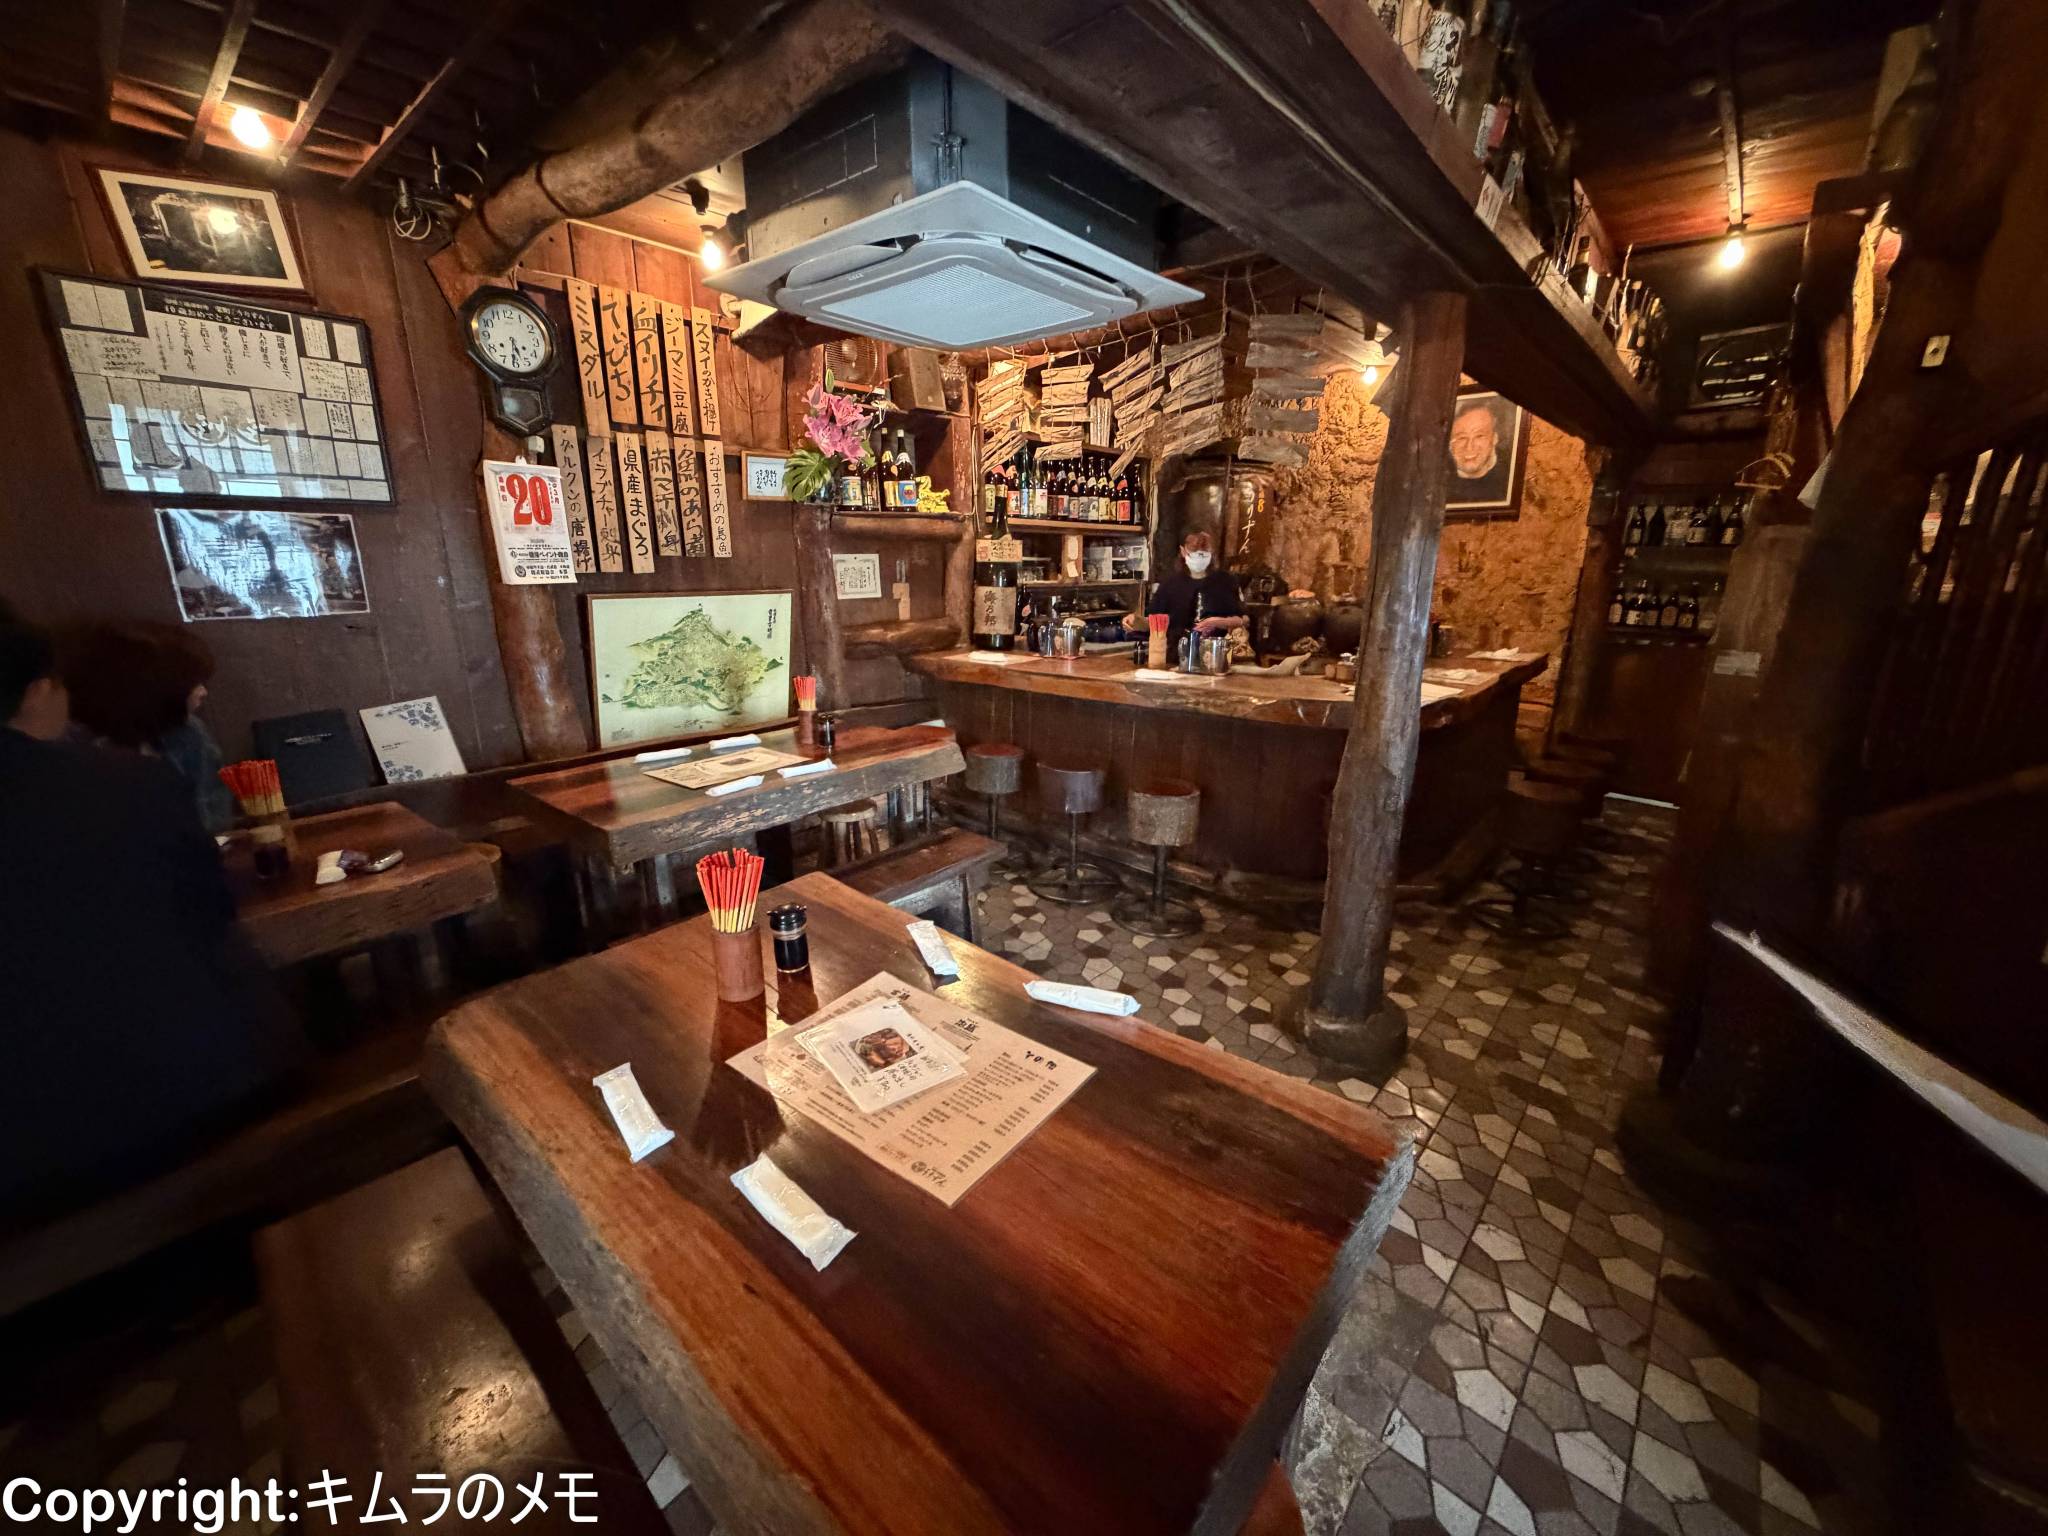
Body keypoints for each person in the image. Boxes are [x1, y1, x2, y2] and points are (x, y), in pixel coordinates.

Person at [0, 615, 297, 1229]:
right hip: (185, 1108)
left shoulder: (174, 750)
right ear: (37, 690)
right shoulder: (121, 784)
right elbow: (209, 912)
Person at [64, 622, 233, 833]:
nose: (203, 692)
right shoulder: (78, 744)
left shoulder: (189, 732)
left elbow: (213, 811)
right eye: (193, 682)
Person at [1126, 531, 1248, 660]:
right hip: (1176, 656)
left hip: (1217, 656)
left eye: (1204, 552)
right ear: (1183, 551)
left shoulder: (1226, 581)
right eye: (1194, 551)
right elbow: (1153, 620)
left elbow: (1245, 619)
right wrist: (1134, 621)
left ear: (1212, 553)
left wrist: (1219, 622)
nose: (1199, 555)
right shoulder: (1170, 584)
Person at [1448, 395, 1515, 506]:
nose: (1469, 447)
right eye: (1461, 437)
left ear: (1494, 439)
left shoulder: (1509, 477)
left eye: (1479, 436)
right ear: (1451, 444)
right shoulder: (1434, 478)